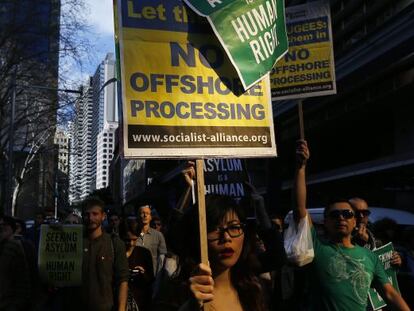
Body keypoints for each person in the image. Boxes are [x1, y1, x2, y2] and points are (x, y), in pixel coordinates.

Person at [293, 140, 410, 311]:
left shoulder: (370, 257)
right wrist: (300, 167)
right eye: (334, 215)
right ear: (325, 222)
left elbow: (390, 293)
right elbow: (299, 209)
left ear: (354, 221)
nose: (341, 218)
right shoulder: (315, 246)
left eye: (347, 214)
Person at [179, 195, 267, 311]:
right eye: (214, 229)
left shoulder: (254, 290)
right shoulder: (181, 295)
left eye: (234, 227)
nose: (226, 237)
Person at [81, 197, 129, 311]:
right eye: (87, 214)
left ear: (103, 216)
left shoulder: (115, 243)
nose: (90, 218)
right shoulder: (75, 242)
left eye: (95, 214)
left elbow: (122, 280)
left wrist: (121, 309)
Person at [350, 197, 402, 267]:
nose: (361, 216)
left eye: (365, 213)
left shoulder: (375, 235)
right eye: (356, 212)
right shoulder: (337, 236)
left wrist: (396, 260)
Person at [120, 218, 154, 311]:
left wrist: (143, 274)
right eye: (127, 240)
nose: (131, 243)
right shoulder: (115, 253)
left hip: (140, 301)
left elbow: (151, 280)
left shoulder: (144, 253)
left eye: (134, 239)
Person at [0, 215, 30, 310]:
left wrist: (16, 305)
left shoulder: (18, 247)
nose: (2, 227)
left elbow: (23, 280)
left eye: (5, 225)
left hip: (8, 303)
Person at [136, 204, 167, 275]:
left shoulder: (158, 235)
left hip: (153, 275)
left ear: (150, 217)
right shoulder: (133, 235)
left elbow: (161, 259)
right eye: (142, 213)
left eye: (147, 213)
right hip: (136, 275)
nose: (145, 215)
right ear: (138, 216)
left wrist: (158, 278)